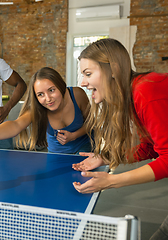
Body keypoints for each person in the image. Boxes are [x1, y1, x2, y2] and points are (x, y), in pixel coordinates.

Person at [71, 38, 168, 239]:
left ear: (113, 69)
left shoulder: (145, 91)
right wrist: (107, 157)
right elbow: (150, 147)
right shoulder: (132, 95)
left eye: (88, 74)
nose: (82, 83)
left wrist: (111, 181)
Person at [0, 67, 92, 156]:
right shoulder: (37, 108)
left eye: (51, 90)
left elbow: (93, 123)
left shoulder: (77, 94)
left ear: (61, 85)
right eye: (40, 94)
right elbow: (15, 125)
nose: (48, 99)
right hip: (56, 155)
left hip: (84, 148)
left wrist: (74, 135)